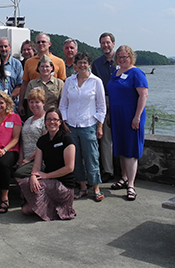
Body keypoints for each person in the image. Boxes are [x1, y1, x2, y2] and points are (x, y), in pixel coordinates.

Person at [60, 51, 106, 202]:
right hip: (71, 126)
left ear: (89, 64)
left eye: (85, 62)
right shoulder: (69, 81)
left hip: (89, 125)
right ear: (75, 65)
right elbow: (63, 105)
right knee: (76, 158)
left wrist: (99, 126)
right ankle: (83, 187)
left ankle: (96, 188)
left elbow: (101, 106)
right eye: (79, 62)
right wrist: (65, 122)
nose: (82, 65)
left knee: (92, 156)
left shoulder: (96, 82)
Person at [17, 107, 76, 221]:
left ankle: (57, 208)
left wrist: (46, 176)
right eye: (49, 119)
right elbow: (37, 165)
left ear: (60, 122)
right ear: (45, 122)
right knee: (27, 186)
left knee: (37, 190)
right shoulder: (42, 141)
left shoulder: (67, 139)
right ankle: (48, 206)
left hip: (64, 185)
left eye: (55, 119)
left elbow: (69, 168)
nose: (51, 122)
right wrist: (34, 175)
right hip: (49, 182)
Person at [107, 45, 148, 201]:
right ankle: (124, 178)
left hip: (131, 115)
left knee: (130, 150)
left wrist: (137, 116)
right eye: (120, 57)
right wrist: (110, 114)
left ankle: (131, 185)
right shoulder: (115, 73)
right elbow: (112, 96)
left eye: (125, 57)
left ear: (131, 57)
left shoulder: (136, 73)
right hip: (118, 116)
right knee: (122, 148)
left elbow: (143, 95)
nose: (122, 60)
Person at [18, 33, 66, 116]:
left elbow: (63, 84)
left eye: (43, 42)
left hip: (53, 108)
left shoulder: (59, 61)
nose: (41, 44)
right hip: (34, 109)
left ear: (49, 44)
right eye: (38, 42)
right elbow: (25, 83)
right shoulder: (29, 62)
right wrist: (21, 104)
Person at [91, 32, 116, 183]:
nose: (105, 45)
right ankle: (108, 170)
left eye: (108, 42)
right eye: (102, 43)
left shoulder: (121, 60)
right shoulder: (97, 63)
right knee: (105, 138)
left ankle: (126, 172)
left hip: (121, 101)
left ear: (113, 43)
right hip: (103, 101)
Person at [14, 88, 46, 179]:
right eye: (31, 102)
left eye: (37, 102)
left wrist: (28, 159)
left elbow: (44, 144)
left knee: (19, 173)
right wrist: (21, 159)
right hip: (25, 158)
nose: (34, 105)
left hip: (39, 159)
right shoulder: (28, 120)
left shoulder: (46, 120)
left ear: (43, 103)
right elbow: (23, 140)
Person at [0, 37, 23, 102]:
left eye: (5, 46)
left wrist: (8, 100)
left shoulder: (17, 64)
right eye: (1, 46)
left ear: (10, 48)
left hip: (12, 103)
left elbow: (20, 85)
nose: (3, 49)